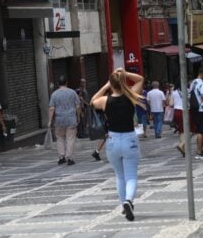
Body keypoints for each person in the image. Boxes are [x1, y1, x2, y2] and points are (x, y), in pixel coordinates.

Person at [91, 68, 143, 221]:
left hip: (113, 141)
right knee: (131, 176)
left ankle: (123, 205)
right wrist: (124, 74)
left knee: (120, 176)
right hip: (130, 139)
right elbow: (140, 79)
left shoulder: (105, 101)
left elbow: (92, 101)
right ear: (122, 83)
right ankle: (128, 200)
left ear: (111, 84)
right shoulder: (130, 96)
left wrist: (106, 86)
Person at [48, 75, 81, 166]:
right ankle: (69, 158)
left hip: (59, 119)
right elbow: (78, 106)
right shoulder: (73, 92)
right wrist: (78, 117)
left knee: (60, 138)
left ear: (58, 83)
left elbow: (51, 108)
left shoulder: (54, 94)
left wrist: (50, 121)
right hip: (71, 118)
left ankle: (61, 157)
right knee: (70, 138)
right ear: (67, 82)